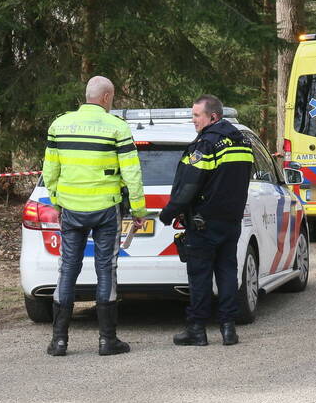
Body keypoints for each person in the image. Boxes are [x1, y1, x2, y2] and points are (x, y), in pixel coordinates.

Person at [43, 76, 149, 357]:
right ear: (106, 97)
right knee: (106, 269)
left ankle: (59, 341)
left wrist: (57, 201)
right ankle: (107, 340)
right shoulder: (117, 127)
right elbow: (131, 173)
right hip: (105, 210)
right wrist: (138, 209)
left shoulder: (59, 125)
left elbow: (50, 170)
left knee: (67, 269)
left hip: (71, 209)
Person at [159, 95, 254, 347]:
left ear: (213, 117)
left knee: (200, 276)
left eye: (196, 115)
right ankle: (228, 329)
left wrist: (168, 213)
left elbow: (190, 184)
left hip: (203, 222)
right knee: (226, 273)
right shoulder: (241, 142)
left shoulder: (205, 145)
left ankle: (197, 330)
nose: (193, 121)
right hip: (231, 221)